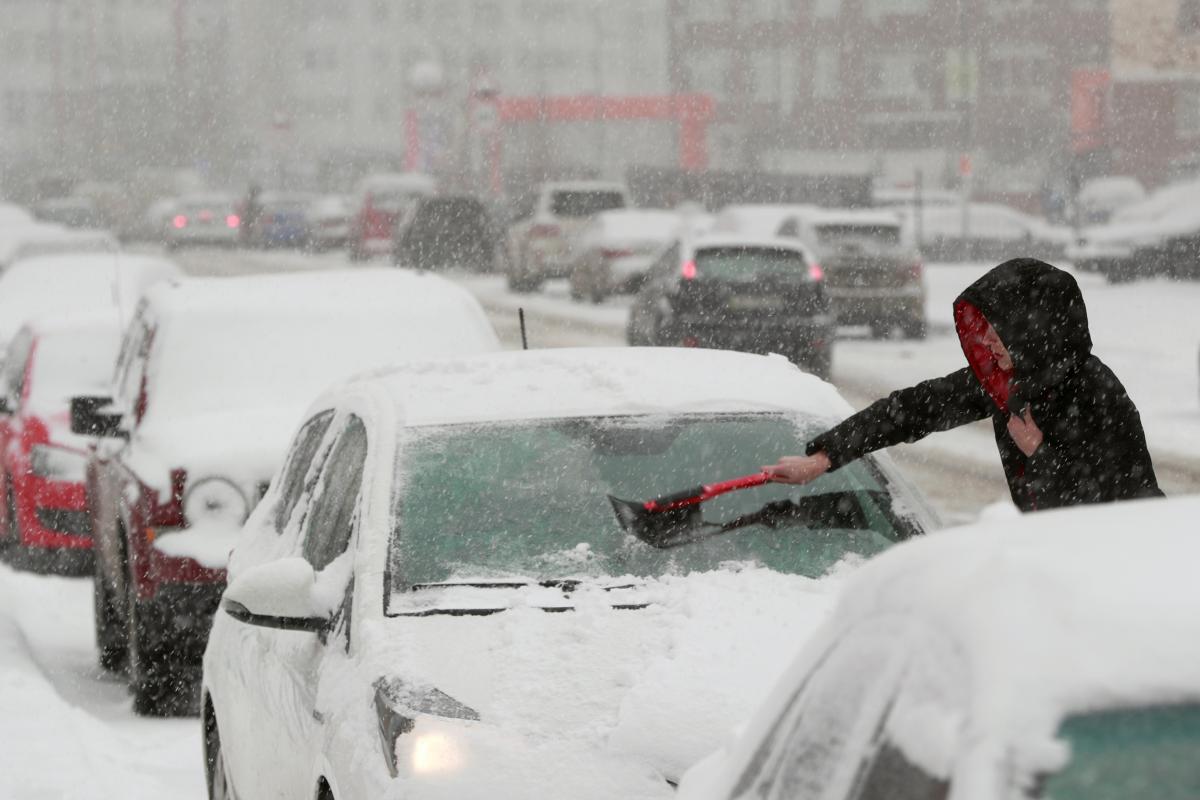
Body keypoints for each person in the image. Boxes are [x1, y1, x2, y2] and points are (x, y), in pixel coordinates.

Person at [763, 258, 1163, 512]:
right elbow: (912, 409)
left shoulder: (1097, 392)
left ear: (1030, 329)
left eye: (997, 329)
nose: (986, 340)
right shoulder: (1006, 384)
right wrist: (825, 457)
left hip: (1117, 572)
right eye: (984, 328)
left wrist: (1038, 452)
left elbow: (1117, 509)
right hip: (1051, 557)